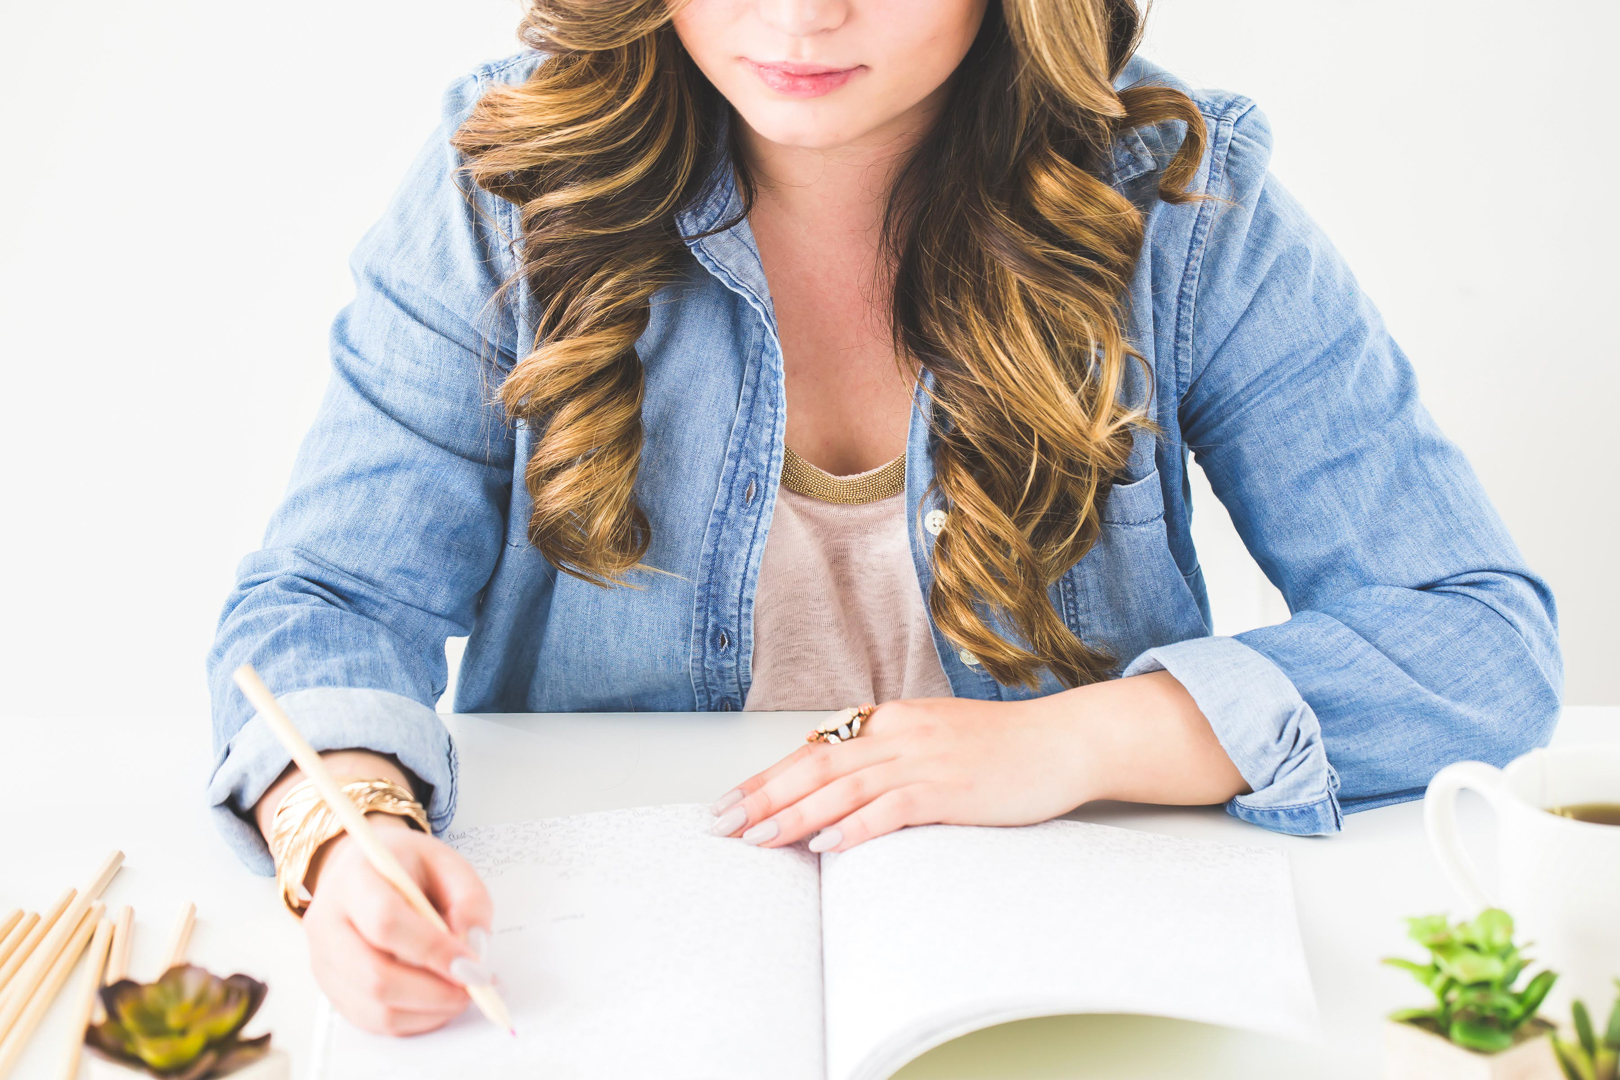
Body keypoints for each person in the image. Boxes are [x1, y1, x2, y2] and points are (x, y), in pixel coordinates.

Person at [204, 0, 1561, 1037]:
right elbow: (330, 602)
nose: (800, 18)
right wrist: (347, 831)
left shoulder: (1179, 206)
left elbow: (1475, 639)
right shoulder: (507, 188)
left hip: (1050, 959)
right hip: (605, 969)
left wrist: (1077, 741)